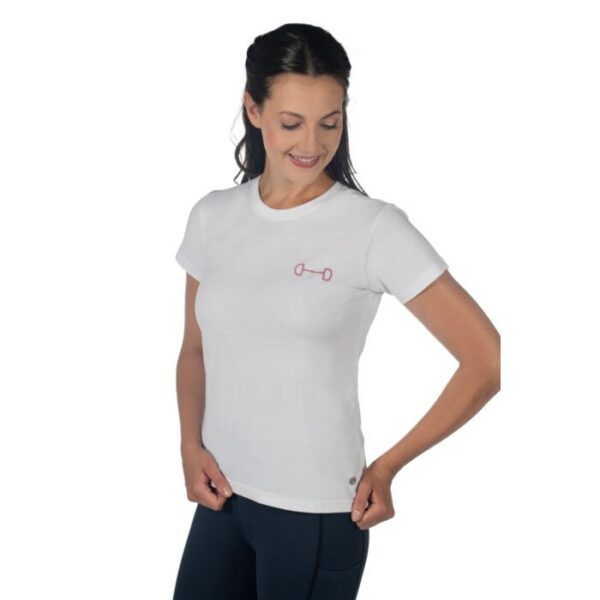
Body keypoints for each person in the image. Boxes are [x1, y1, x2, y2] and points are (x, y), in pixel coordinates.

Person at [172, 23, 500, 600]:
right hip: (222, 499)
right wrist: (189, 445)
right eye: (291, 123)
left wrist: (388, 466)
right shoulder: (213, 216)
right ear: (253, 109)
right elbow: (195, 348)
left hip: (316, 514)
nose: (312, 143)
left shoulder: (373, 229)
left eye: (330, 121)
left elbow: (487, 360)